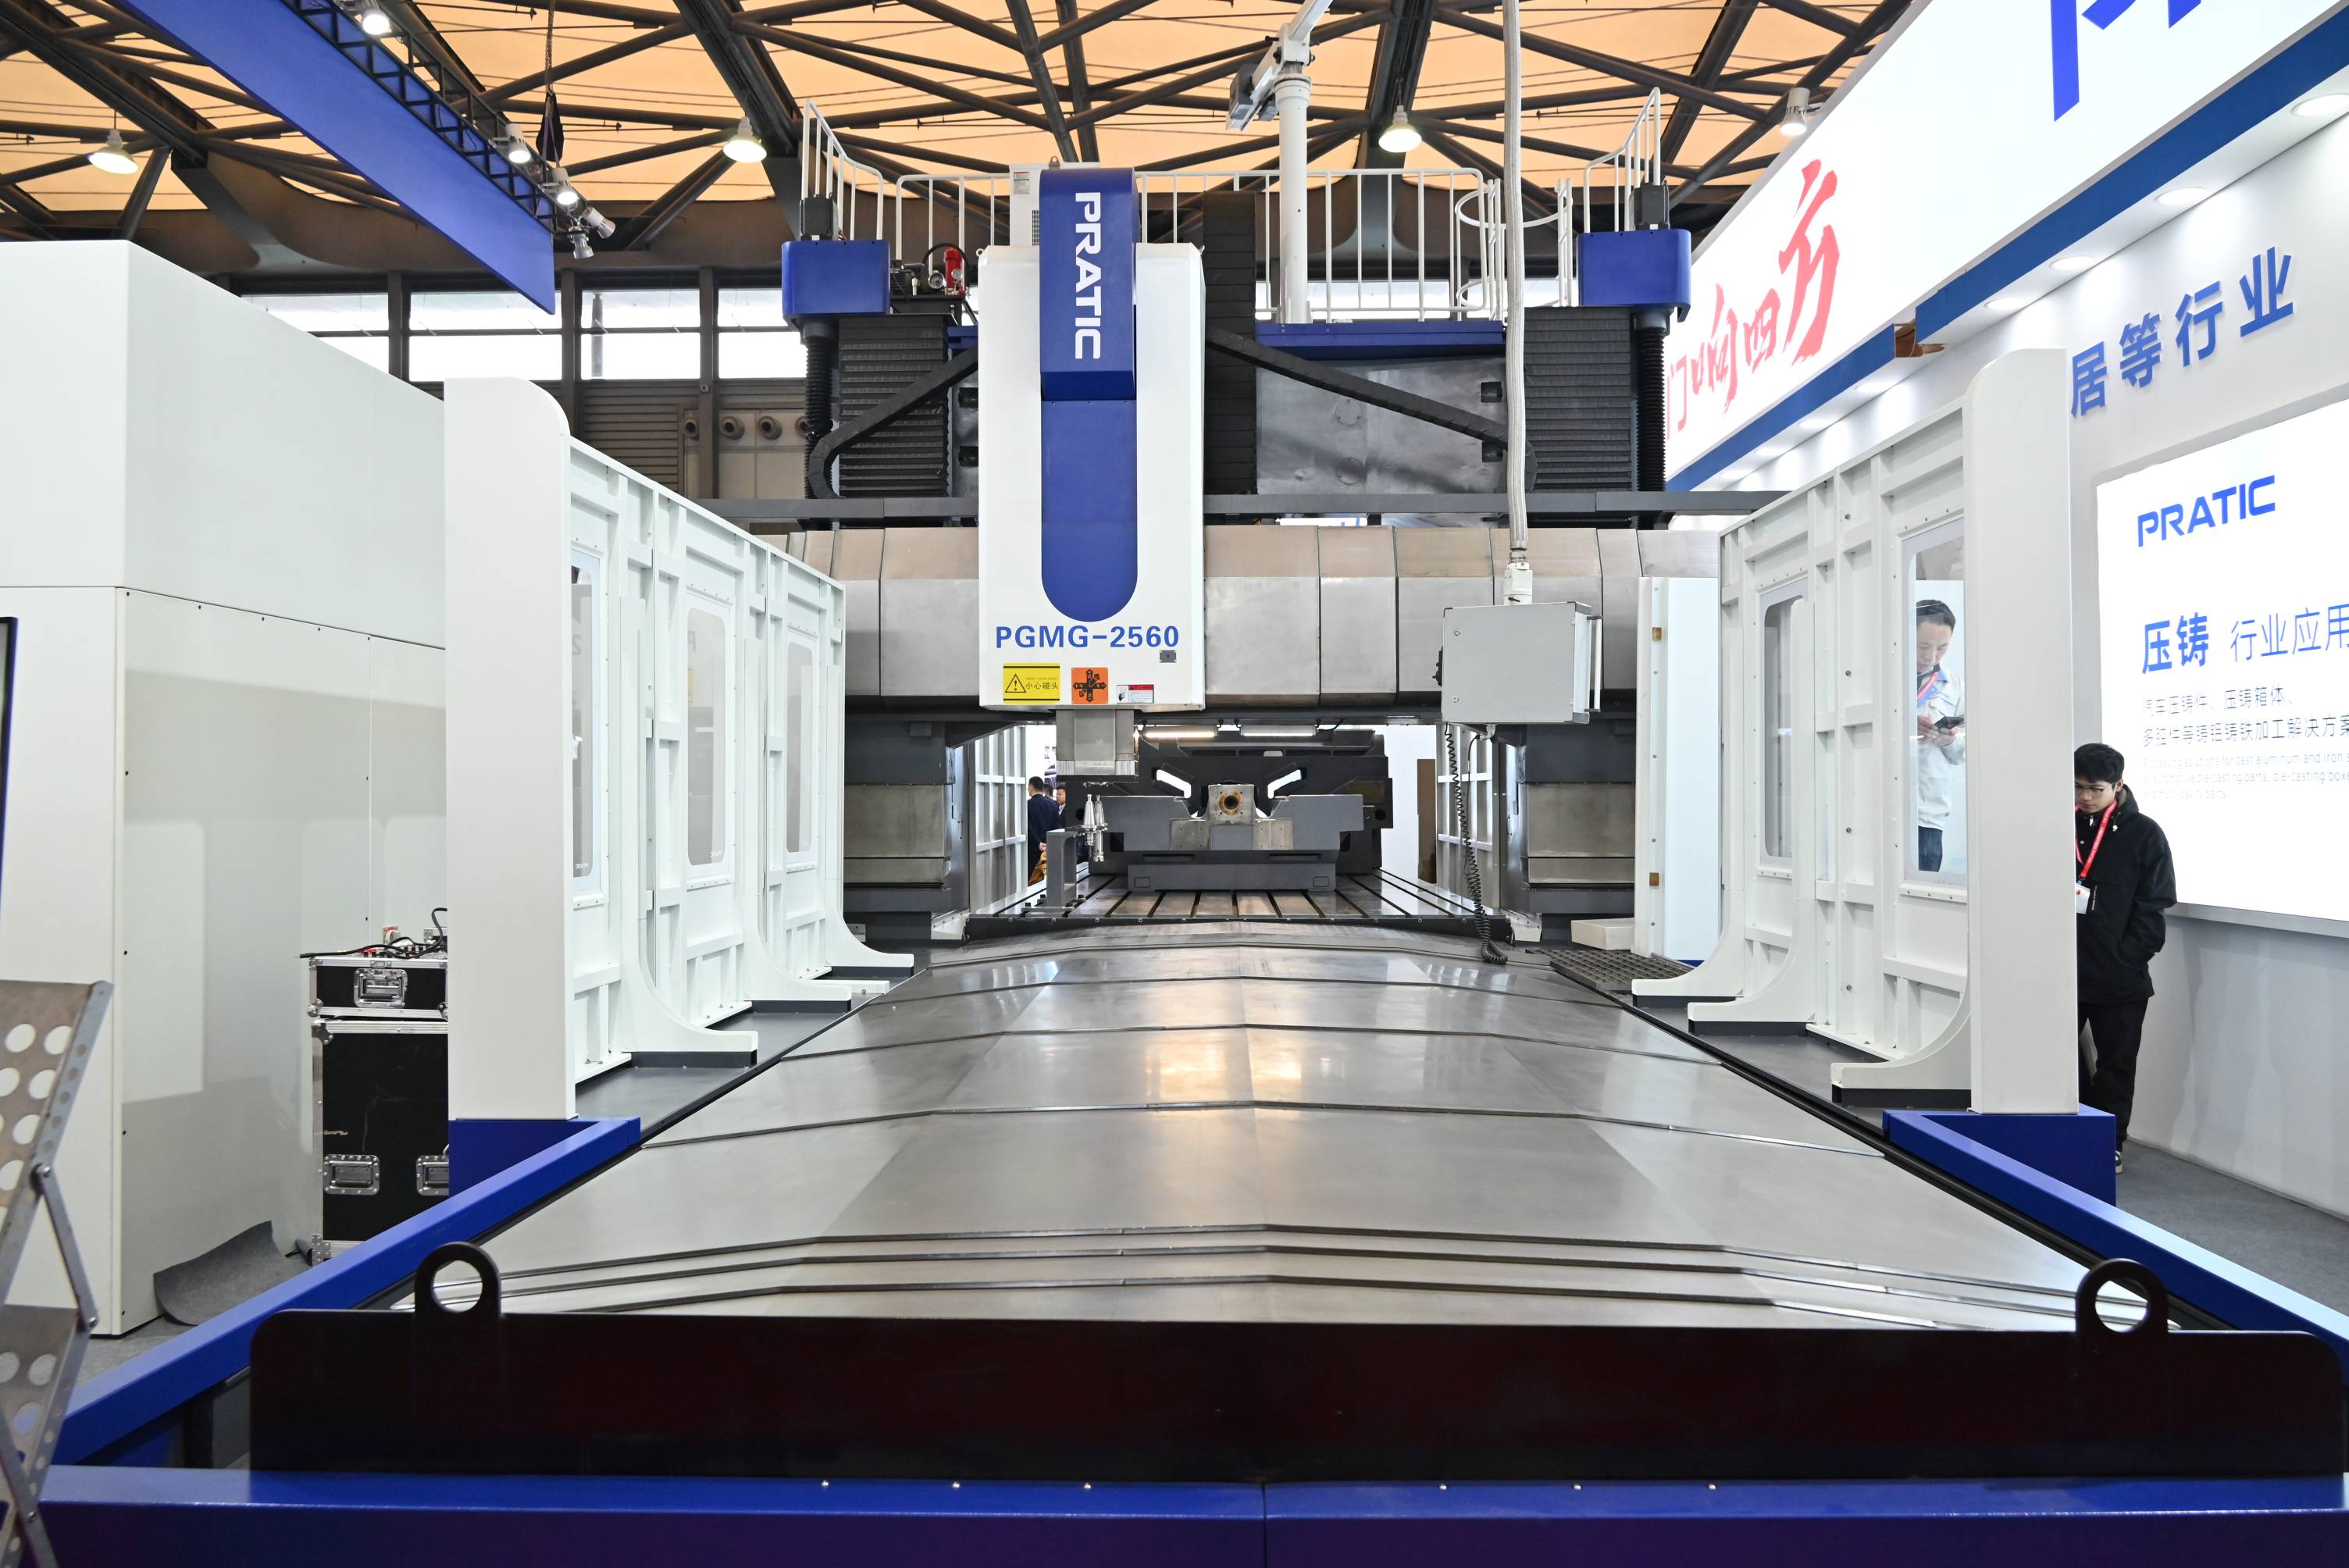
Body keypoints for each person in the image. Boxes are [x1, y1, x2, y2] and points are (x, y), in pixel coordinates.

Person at [2073, 743, 2176, 1174]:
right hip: (2062, 972)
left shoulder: (2144, 833)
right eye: (2077, 787)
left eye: (2094, 789)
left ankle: (2109, 1143)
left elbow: (2155, 905)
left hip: (2120, 976)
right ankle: (2072, 1133)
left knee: (2116, 1065)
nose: (2085, 797)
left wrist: (2129, 955)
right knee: (2055, 1058)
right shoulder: (2059, 826)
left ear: (2118, 786)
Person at [1913, 600, 1965, 872]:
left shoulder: (1955, 686)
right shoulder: (1878, 678)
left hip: (1929, 814)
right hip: (1879, 808)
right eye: (1923, 646)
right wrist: (1901, 725)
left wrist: (1950, 739)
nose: (1931, 656)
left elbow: (1965, 751)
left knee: (1923, 891)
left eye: (1942, 647)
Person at [1025, 775, 1060, 886]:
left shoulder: (1027, 805)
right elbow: (1057, 827)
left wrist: (1038, 843)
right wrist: (1050, 843)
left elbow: (1028, 827)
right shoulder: (1053, 805)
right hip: (1049, 850)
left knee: (1032, 880)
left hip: (1033, 850)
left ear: (1031, 788)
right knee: (1049, 881)